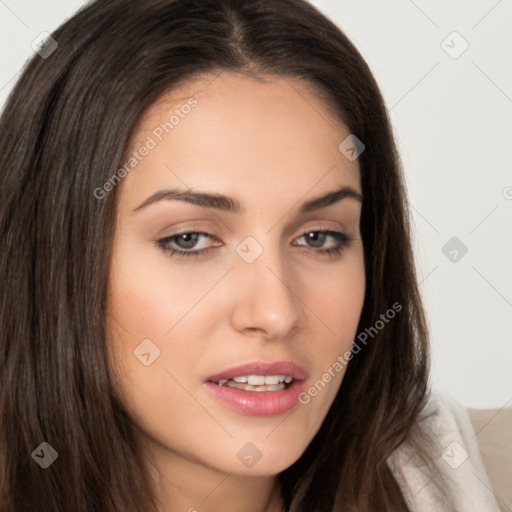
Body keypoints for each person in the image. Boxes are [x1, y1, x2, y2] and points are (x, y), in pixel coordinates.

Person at [0, 1, 502, 511]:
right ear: (53, 257)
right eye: (190, 239)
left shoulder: (483, 475)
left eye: (318, 237)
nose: (275, 313)